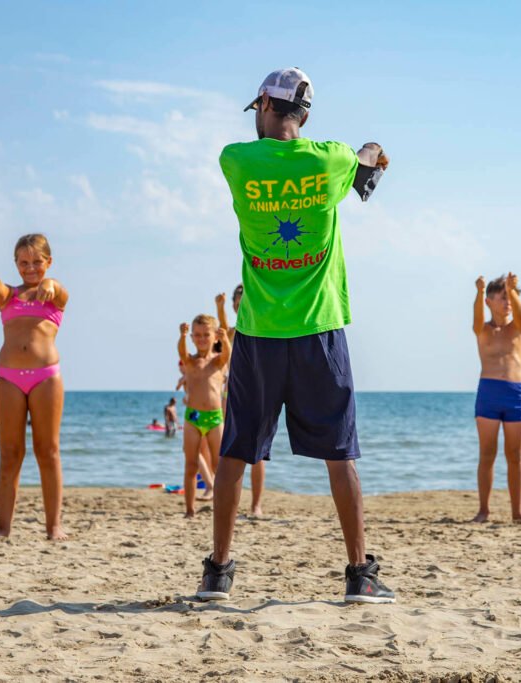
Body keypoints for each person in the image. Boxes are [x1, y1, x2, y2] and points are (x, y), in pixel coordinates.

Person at [198, 67, 395, 604]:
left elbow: (274, 160)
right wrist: (372, 155)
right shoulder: (330, 160)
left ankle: (218, 573)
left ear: (265, 103)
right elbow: (366, 157)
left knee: (236, 451)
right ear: (304, 114)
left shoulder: (236, 161)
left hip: (259, 330)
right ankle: (359, 575)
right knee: (340, 454)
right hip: (318, 328)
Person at [0, 233, 69, 540]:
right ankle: (3, 528)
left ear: (49, 262)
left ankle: (54, 527)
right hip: (8, 380)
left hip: (46, 378)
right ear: (15, 264)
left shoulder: (54, 295)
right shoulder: (10, 296)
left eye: (37, 262)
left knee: (48, 451)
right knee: (10, 453)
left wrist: (50, 283)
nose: (30, 268)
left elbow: (59, 290)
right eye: (23, 262)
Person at [472, 273, 521, 523]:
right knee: (487, 453)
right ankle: (484, 510)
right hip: (489, 392)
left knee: (515, 455)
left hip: (515, 393)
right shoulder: (483, 329)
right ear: (489, 301)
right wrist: (479, 291)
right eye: (502, 297)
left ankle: (517, 511)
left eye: (510, 297)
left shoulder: (516, 328)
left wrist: (512, 289)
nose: (507, 302)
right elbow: (476, 318)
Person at [217, 285, 266, 517]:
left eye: (245, 300)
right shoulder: (231, 333)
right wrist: (219, 308)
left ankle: (256, 505)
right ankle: (228, 503)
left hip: (258, 393)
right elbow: (224, 327)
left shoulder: (263, 329)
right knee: (230, 450)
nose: (241, 305)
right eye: (238, 302)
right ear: (234, 306)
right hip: (230, 394)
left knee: (257, 453)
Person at [178, 315, 230, 517]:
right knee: (191, 465)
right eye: (197, 335)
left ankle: (221, 507)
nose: (201, 339)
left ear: (214, 337)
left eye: (206, 335)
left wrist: (225, 339)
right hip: (193, 417)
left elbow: (228, 354)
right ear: (193, 337)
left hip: (215, 418)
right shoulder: (190, 362)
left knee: (219, 466)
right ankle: (190, 509)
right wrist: (182, 336)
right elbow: (181, 352)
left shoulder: (218, 362)